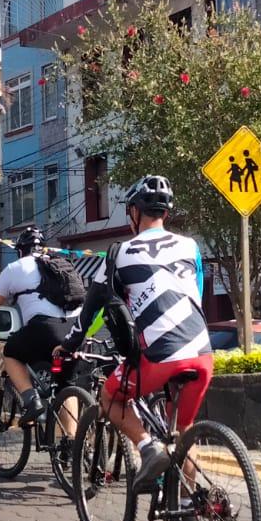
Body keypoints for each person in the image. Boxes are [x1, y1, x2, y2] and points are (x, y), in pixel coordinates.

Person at [81, 176, 212, 493]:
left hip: (159, 356)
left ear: (134, 213)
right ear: (165, 213)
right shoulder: (190, 246)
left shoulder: (119, 252)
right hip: (202, 352)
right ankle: (190, 508)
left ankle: (146, 447)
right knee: (184, 429)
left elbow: (93, 309)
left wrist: (72, 343)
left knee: (110, 396)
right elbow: (197, 295)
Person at [0, 226, 81, 426]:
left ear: (20, 250)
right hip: (74, 330)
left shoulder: (15, 268)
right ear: (42, 248)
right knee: (65, 385)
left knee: (11, 352)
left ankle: (32, 401)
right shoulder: (58, 263)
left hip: (44, 329)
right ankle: (72, 448)